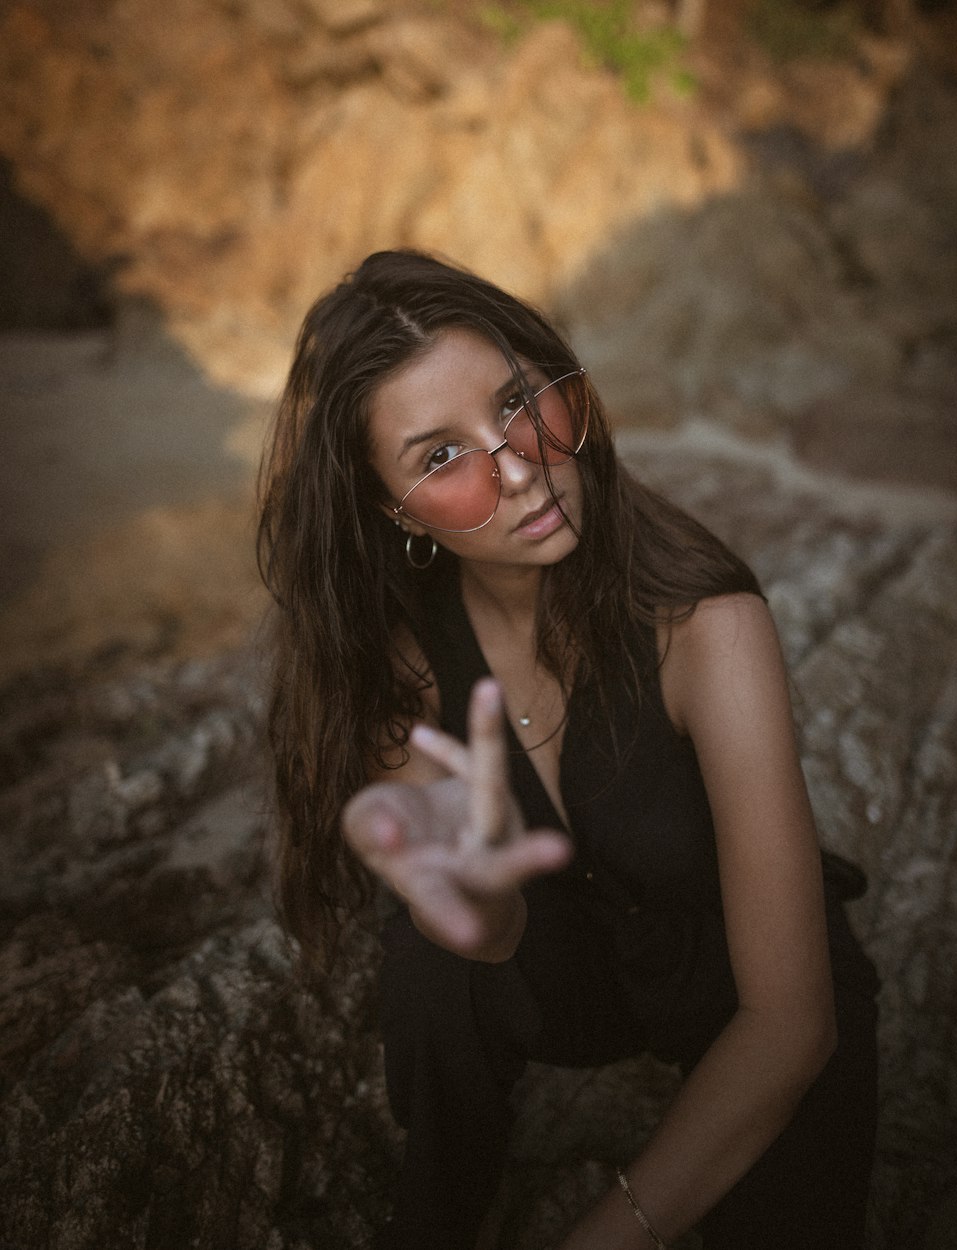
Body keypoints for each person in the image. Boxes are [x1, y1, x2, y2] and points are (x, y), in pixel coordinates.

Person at [256, 249, 879, 1250]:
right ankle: (444, 1192)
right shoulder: (400, 656)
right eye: (439, 457)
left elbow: (790, 1024)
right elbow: (485, 950)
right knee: (427, 955)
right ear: (389, 506)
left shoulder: (705, 623)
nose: (516, 466)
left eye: (515, 403)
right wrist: (479, 900)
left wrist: (605, 1230)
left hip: (731, 981)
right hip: (567, 976)